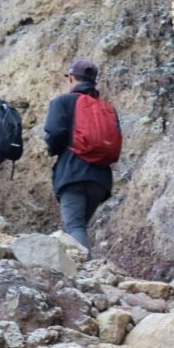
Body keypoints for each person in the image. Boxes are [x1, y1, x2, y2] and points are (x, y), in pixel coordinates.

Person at [44, 58, 120, 259]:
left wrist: (53, 149)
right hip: (100, 178)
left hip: (73, 172)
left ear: (71, 78)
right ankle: (79, 268)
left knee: (75, 225)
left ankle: (85, 272)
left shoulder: (63, 101)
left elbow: (54, 132)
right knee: (78, 225)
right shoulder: (107, 108)